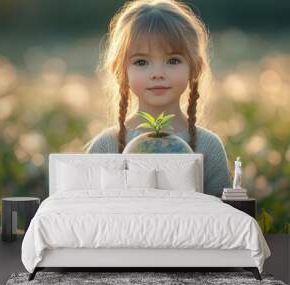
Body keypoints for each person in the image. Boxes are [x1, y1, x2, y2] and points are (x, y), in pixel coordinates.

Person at [83, 0, 231, 197]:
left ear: (195, 68)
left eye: (173, 61)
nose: (157, 73)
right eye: (142, 62)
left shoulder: (208, 146)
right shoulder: (105, 146)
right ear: (121, 71)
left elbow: (222, 219)